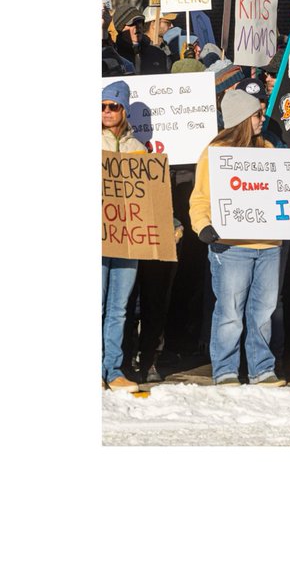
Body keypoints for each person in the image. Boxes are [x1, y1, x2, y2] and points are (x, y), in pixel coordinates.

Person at [189, 89, 285, 386]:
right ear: (243, 119)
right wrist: (204, 227)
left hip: (268, 245)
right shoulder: (214, 152)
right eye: (257, 114)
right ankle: (226, 370)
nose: (262, 118)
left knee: (264, 312)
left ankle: (261, 368)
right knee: (230, 311)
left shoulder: (268, 149)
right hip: (231, 246)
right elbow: (200, 197)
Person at [101, 80, 146, 391]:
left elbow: (148, 195)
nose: (106, 111)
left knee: (119, 307)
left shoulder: (138, 149)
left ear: (124, 110)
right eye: (102, 106)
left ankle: (113, 369)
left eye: (112, 106)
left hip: (128, 236)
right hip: (97, 234)